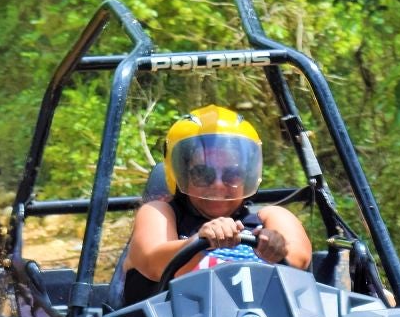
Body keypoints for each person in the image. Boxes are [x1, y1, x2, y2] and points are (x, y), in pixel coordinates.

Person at [125, 105, 310, 290]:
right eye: (203, 173)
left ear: (247, 177)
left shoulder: (270, 217)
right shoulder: (160, 212)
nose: (218, 185)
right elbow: (152, 263)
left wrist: (275, 247)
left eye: (232, 174)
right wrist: (199, 241)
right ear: (182, 175)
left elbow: (298, 260)